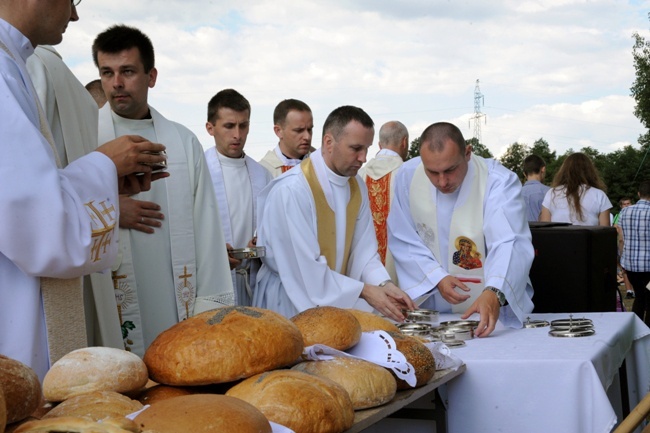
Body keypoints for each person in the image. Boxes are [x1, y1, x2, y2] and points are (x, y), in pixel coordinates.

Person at [0, 0, 167, 380]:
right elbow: (40, 226)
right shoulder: (5, 68)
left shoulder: (15, 62)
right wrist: (104, 163)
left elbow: (25, 196)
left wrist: (105, 182)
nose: (74, 15)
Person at [93, 25, 233, 356]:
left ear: (151, 76)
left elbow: (207, 230)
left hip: (176, 304)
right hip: (108, 302)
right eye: (107, 72)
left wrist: (208, 312)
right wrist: (112, 211)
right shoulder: (86, 136)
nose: (117, 83)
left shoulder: (183, 143)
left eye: (127, 71)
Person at [254, 105, 416, 322]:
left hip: (335, 296)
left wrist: (384, 285)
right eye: (356, 148)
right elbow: (305, 270)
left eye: (367, 148)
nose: (363, 158)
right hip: (290, 300)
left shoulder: (355, 184)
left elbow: (364, 251)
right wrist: (365, 291)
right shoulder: (292, 191)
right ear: (329, 142)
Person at [388, 122, 534, 337]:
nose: (442, 181)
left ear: (467, 153)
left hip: (488, 306)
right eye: (432, 172)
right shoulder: (407, 176)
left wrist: (494, 290)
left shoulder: (498, 181)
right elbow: (403, 237)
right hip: (431, 304)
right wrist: (436, 277)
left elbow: (509, 241)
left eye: (450, 170)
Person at [26, 44, 123, 350]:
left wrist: (107, 172)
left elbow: (28, 202)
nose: (74, 15)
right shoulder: (53, 74)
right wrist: (104, 174)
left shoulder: (26, 67)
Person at [204, 89, 272, 306]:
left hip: (252, 280)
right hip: (213, 280)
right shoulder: (199, 170)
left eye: (243, 125)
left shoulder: (262, 174)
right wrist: (212, 249)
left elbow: (271, 225)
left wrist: (262, 240)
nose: (237, 134)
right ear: (210, 128)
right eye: (229, 126)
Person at [357, 120, 409, 283]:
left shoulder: (358, 175)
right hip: (399, 269)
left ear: (379, 145)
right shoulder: (407, 175)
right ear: (405, 142)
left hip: (363, 268)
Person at [539, 153, 611, 226]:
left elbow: (545, 228)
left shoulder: (552, 193)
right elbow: (604, 232)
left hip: (558, 237)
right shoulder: (599, 195)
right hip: (588, 237)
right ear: (590, 171)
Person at [618, 180, 650, 326]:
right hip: (648, 267)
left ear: (638, 194)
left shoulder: (624, 211)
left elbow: (621, 239)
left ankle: (637, 330)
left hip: (631, 266)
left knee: (639, 298)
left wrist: (621, 260)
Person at [259, 99, 314, 177]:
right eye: (299, 130)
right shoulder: (263, 171)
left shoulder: (321, 165)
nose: (307, 137)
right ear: (278, 131)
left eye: (309, 129)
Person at [614, 197, 635, 299]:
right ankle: (629, 290)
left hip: (629, 245)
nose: (627, 206)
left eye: (628, 203)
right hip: (625, 245)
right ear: (621, 206)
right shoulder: (619, 215)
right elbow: (615, 228)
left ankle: (631, 290)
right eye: (624, 204)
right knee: (625, 269)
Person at [521, 154, 550, 222]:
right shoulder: (550, 192)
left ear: (524, 174)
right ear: (543, 169)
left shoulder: (514, 193)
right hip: (543, 232)